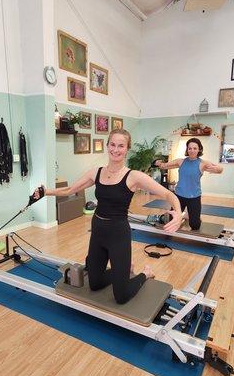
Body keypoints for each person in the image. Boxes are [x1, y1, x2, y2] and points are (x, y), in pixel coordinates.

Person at [34, 129, 182, 304]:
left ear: (127, 149)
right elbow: (69, 190)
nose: (116, 149)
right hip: (98, 231)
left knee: (122, 296)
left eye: (121, 146)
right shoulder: (96, 172)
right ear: (107, 146)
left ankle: (144, 274)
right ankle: (125, 270)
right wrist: (45, 192)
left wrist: (178, 214)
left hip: (118, 234)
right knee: (94, 283)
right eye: (112, 144)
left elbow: (168, 195)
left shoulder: (134, 176)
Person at [154, 137, 223, 230]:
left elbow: (220, 170)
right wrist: (157, 163)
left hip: (194, 197)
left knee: (195, 225)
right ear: (187, 149)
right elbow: (164, 166)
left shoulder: (202, 163)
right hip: (179, 196)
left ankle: (189, 215)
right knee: (171, 221)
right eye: (190, 148)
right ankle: (183, 215)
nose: (192, 150)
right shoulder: (181, 161)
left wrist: (217, 169)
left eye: (195, 148)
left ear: (199, 149)